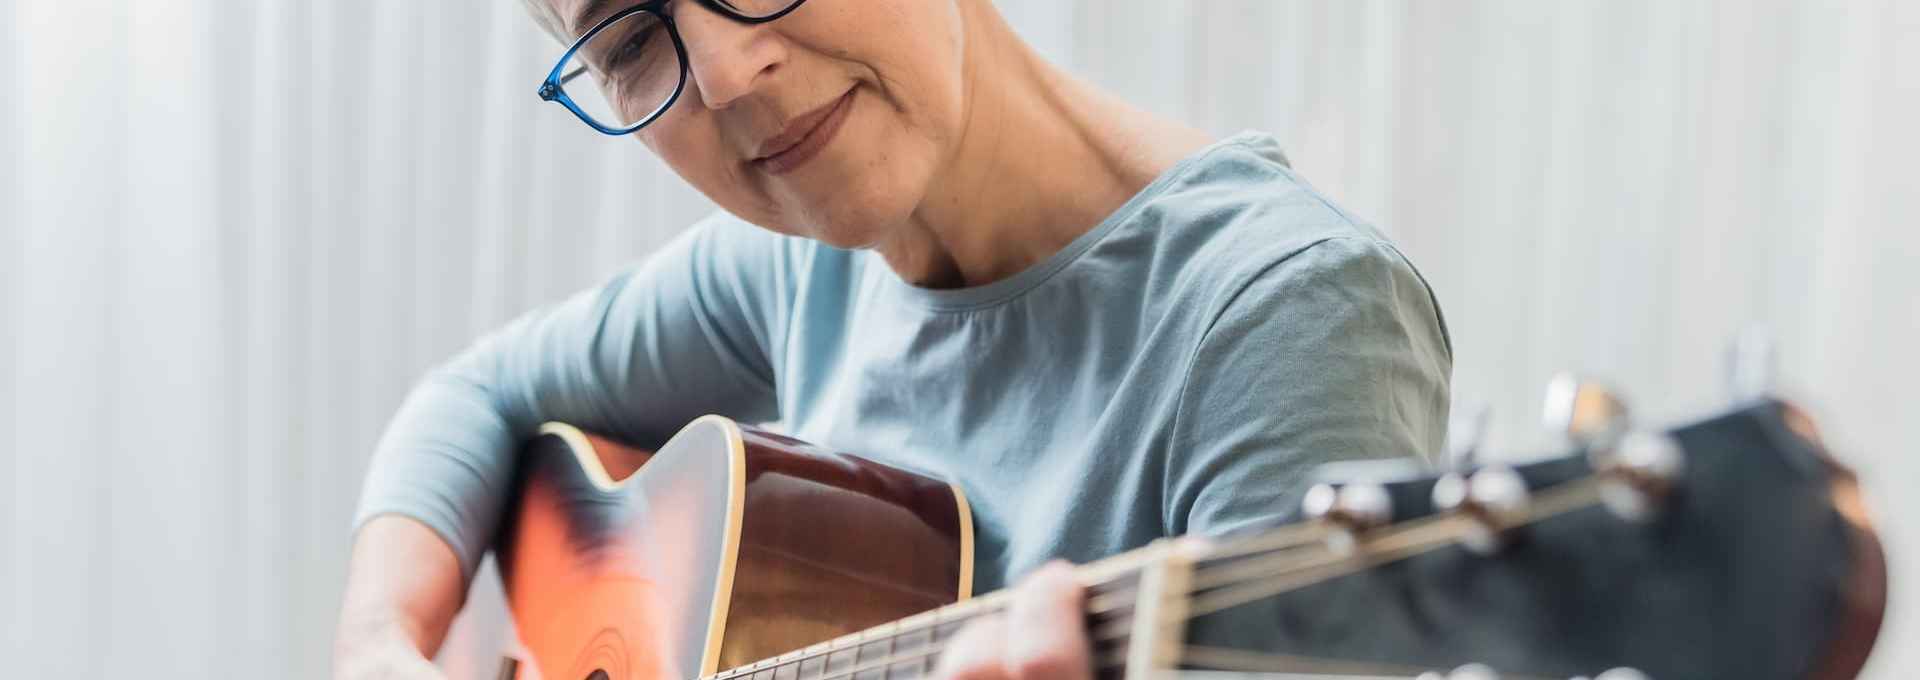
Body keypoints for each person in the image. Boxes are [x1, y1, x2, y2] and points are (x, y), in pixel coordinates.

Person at [331, 0, 1452, 678]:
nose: (725, 71)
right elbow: (470, 395)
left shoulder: (1288, 315)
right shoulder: (797, 265)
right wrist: (382, 641)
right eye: (629, 37)